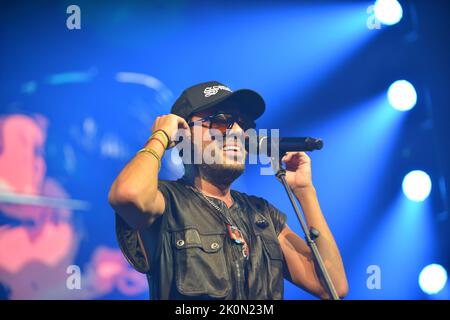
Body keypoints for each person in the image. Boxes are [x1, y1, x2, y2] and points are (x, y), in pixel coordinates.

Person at [108, 81, 348, 300]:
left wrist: (305, 192)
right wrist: (160, 136)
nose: (236, 132)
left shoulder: (262, 215)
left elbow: (333, 287)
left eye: (242, 124)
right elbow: (127, 195)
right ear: (183, 134)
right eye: (221, 120)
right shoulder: (166, 201)